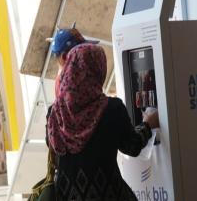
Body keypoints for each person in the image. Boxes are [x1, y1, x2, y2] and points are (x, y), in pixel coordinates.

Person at [46, 33, 159, 200]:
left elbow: (54, 151)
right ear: (97, 70)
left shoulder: (54, 113)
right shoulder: (111, 109)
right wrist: (148, 125)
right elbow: (132, 147)